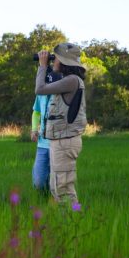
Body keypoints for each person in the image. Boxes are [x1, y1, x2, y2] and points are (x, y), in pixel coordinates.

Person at [35, 43, 87, 204]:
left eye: (55, 58)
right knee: (57, 187)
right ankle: (68, 223)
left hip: (65, 141)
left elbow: (40, 89)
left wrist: (43, 66)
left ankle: (75, 220)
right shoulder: (69, 80)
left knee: (64, 190)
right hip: (61, 140)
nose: (53, 61)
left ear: (64, 62)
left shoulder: (72, 80)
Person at [30, 70, 62, 193]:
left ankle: (54, 201)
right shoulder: (41, 94)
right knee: (38, 182)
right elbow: (36, 112)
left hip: (58, 144)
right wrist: (34, 129)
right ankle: (43, 197)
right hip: (42, 144)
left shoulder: (62, 94)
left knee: (57, 182)